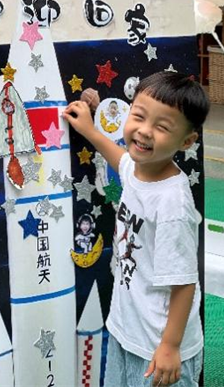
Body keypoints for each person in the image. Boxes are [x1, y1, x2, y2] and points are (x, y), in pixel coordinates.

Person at [63, 71, 209, 387]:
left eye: (162, 127)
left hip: (159, 348)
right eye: (139, 116)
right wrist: (90, 131)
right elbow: (120, 160)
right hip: (127, 330)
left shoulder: (172, 203)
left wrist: (170, 346)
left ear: (186, 142)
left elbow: (184, 283)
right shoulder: (139, 167)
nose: (144, 131)